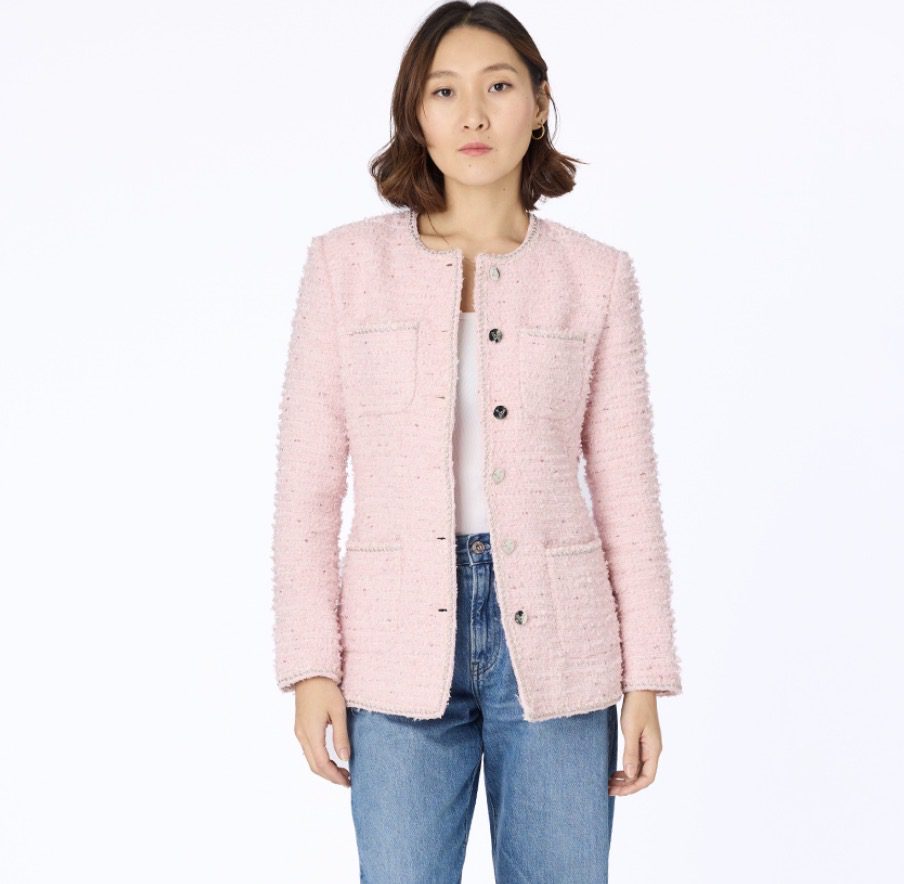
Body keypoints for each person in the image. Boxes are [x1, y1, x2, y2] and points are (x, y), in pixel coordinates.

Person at [271, 2, 683, 880]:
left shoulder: (596, 276)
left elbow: (627, 487)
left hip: (562, 641)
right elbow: (307, 485)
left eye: (498, 87)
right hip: (391, 640)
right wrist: (310, 665)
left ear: (539, 102)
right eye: (444, 91)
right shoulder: (345, 267)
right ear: (415, 114)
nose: (473, 114)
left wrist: (646, 672)